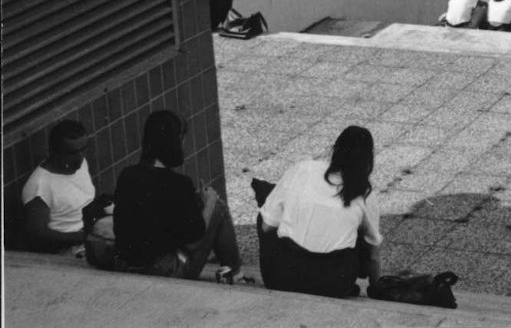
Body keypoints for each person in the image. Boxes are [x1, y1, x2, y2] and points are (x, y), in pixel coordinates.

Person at [113, 109, 245, 282]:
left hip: (125, 265)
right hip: (164, 272)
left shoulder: (127, 175)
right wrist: (210, 202)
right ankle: (234, 272)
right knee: (217, 208)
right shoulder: (179, 184)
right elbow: (194, 238)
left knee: (196, 207)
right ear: (175, 142)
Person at [258, 125, 382, 298]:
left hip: (281, 277)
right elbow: (373, 255)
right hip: (333, 284)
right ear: (368, 160)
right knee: (363, 237)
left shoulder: (303, 169)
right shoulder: (365, 193)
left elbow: (266, 227)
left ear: (335, 149)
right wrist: (377, 287)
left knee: (267, 209)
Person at [20, 119, 101, 252]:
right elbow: (38, 234)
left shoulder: (79, 163)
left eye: (83, 150)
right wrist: (82, 237)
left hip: (93, 230)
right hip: (70, 247)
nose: (80, 158)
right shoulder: (39, 186)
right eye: (72, 153)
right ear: (54, 152)